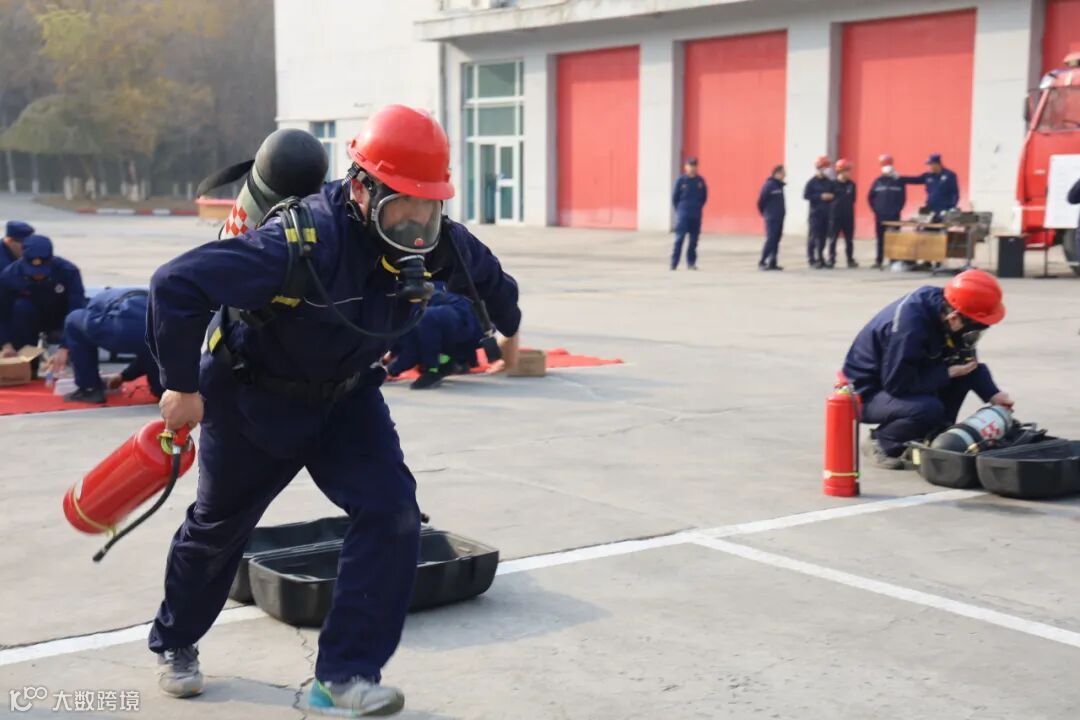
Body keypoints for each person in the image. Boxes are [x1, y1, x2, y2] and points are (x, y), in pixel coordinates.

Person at [145, 105, 521, 716]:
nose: (417, 222)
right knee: (217, 530)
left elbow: (491, 278)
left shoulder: (432, 242)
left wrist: (510, 325)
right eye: (404, 204)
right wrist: (181, 387)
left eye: (429, 206)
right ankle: (176, 641)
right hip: (252, 398)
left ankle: (343, 677)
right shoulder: (298, 243)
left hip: (346, 399)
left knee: (393, 514)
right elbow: (175, 285)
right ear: (363, 189)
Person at [842, 269, 1012, 469]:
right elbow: (897, 384)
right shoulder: (909, 329)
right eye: (974, 329)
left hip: (903, 379)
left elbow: (968, 366)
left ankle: (932, 434)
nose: (973, 336)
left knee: (960, 376)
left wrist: (993, 395)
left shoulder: (949, 310)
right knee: (928, 408)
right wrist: (947, 373)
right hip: (865, 393)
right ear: (955, 318)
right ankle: (882, 441)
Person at [59, 287, 163, 403]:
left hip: (124, 325)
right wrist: (123, 376)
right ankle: (164, 391)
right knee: (155, 348)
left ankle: (89, 388)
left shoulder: (94, 304)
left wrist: (64, 347)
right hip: (159, 328)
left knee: (73, 320)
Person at [0, 236, 86, 365]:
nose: (38, 275)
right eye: (32, 271)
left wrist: (65, 347)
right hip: (26, 321)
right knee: (21, 307)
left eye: (42, 271)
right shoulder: (10, 275)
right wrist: (6, 344)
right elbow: (2, 314)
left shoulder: (68, 272)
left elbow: (76, 310)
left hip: (59, 319)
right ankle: (28, 366)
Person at [387, 283, 483, 389]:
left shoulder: (407, 313)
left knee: (426, 320)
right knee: (429, 326)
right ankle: (456, 362)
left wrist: (391, 370)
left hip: (459, 323)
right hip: (470, 325)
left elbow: (411, 351)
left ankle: (432, 371)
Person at [867, 154, 906, 269]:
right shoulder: (877, 181)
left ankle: (893, 260)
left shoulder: (898, 182)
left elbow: (903, 199)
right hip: (880, 216)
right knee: (880, 239)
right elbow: (870, 197)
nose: (887, 167)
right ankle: (879, 260)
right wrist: (876, 211)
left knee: (894, 239)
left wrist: (897, 210)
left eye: (888, 164)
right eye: (884, 164)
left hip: (894, 216)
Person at [671, 157, 707, 270]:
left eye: (694, 165)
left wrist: (697, 207)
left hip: (696, 215)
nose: (692, 168)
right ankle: (674, 263)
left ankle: (691, 263)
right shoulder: (681, 181)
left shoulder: (700, 181)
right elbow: (675, 198)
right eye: (690, 165)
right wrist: (680, 210)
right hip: (683, 215)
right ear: (686, 167)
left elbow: (704, 197)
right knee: (679, 239)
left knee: (694, 241)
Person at [901, 153, 959, 221]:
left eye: (931, 164)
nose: (929, 167)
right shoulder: (928, 175)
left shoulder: (949, 175)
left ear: (937, 164)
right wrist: (899, 178)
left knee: (939, 225)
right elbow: (915, 180)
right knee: (920, 223)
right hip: (930, 207)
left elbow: (954, 193)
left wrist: (952, 207)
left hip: (943, 208)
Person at [803, 155, 834, 268]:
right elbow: (806, 195)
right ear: (819, 168)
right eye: (825, 167)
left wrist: (832, 196)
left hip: (826, 214)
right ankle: (811, 259)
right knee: (813, 237)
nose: (827, 170)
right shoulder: (811, 182)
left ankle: (820, 257)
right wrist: (820, 196)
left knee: (823, 237)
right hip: (815, 214)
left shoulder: (829, 182)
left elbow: (834, 194)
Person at [826, 158, 857, 268]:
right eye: (847, 170)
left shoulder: (852, 185)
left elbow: (853, 199)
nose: (849, 173)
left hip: (848, 216)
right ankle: (831, 259)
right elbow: (828, 199)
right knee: (833, 239)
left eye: (849, 170)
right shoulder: (832, 184)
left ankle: (850, 260)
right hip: (835, 216)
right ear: (840, 171)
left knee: (849, 240)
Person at [756, 165, 785, 271]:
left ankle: (773, 262)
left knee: (776, 240)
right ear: (777, 173)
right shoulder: (769, 185)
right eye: (783, 173)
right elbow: (761, 201)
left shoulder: (779, 186)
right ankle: (762, 261)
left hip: (779, 218)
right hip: (771, 218)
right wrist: (766, 214)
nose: (784, 175)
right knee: (771, 239)